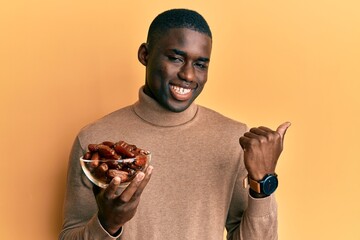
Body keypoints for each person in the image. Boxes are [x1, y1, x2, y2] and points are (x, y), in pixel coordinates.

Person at [59, 8, 290, 240]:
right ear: (145, 55)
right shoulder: (94, 139)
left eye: (200, 64)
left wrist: (263, 182)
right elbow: (70, 235)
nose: (189, 75)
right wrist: (106, 224)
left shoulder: (233, 138)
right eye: (176, 58)